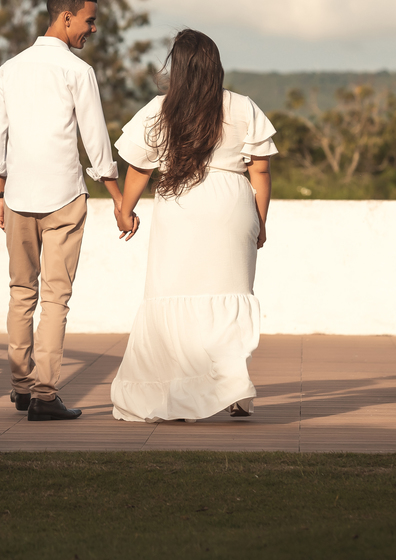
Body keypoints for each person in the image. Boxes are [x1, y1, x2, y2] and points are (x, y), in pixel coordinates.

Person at [0, 0, 135, 422]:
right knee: (55, 300)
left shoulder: (9, 69)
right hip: (64, 197)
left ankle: (20, 387)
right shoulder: (77, 71)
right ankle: (45, 395)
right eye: (89, 20)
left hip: (17, 197)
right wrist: (120, 199)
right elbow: (95, 139)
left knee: (20, 293)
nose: (93, 29)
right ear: (66, 18)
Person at [109, 29, 276, 422]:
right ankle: (233, 390)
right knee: (229, 295)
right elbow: (261, 171)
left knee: (171, 295)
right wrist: (260, 222)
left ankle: (179, 393)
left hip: (179, 205)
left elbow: (138, 167)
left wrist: (124, 208)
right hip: (232, 207)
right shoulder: (243, 107)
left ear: (178, 68)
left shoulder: (159, 109)